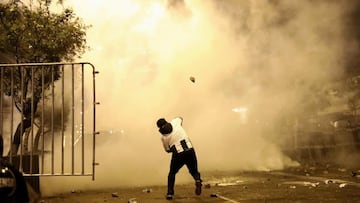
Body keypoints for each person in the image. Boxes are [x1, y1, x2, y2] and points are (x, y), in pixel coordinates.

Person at [156, 117, 202, 200]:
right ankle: (198, 180)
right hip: (189, 150)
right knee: (193, 170)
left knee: (172, 173)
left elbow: (167, 150)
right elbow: (180, 118)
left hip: (178, 154)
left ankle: (170, 193)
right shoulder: (175, 123)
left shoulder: (163, 137)